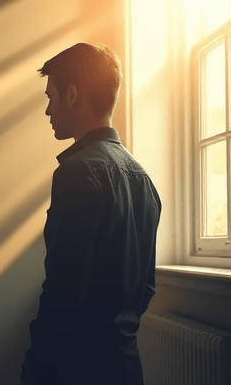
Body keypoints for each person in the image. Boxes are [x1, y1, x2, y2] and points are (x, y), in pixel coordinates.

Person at [21, 43, 161, 385]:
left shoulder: (77, 173)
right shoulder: (144, 179)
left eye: (50, 96)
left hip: (80, 370)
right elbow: (145, 289)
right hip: (127, 368)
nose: (47, 110)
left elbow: (62, 293)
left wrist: (35, 371)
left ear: (72, 94)